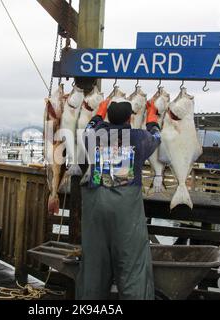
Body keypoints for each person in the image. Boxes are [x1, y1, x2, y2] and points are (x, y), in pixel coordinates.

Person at [75, 97, 161, 300]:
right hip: (126, 212)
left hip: (96, 208)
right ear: (130, 119)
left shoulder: (95, 136)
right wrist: (151, 118)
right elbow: (157, 137)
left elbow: (87, 129)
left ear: (109, 116)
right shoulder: (139, 138)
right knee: (132, 266)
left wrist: (99, 113)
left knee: (94, 267)